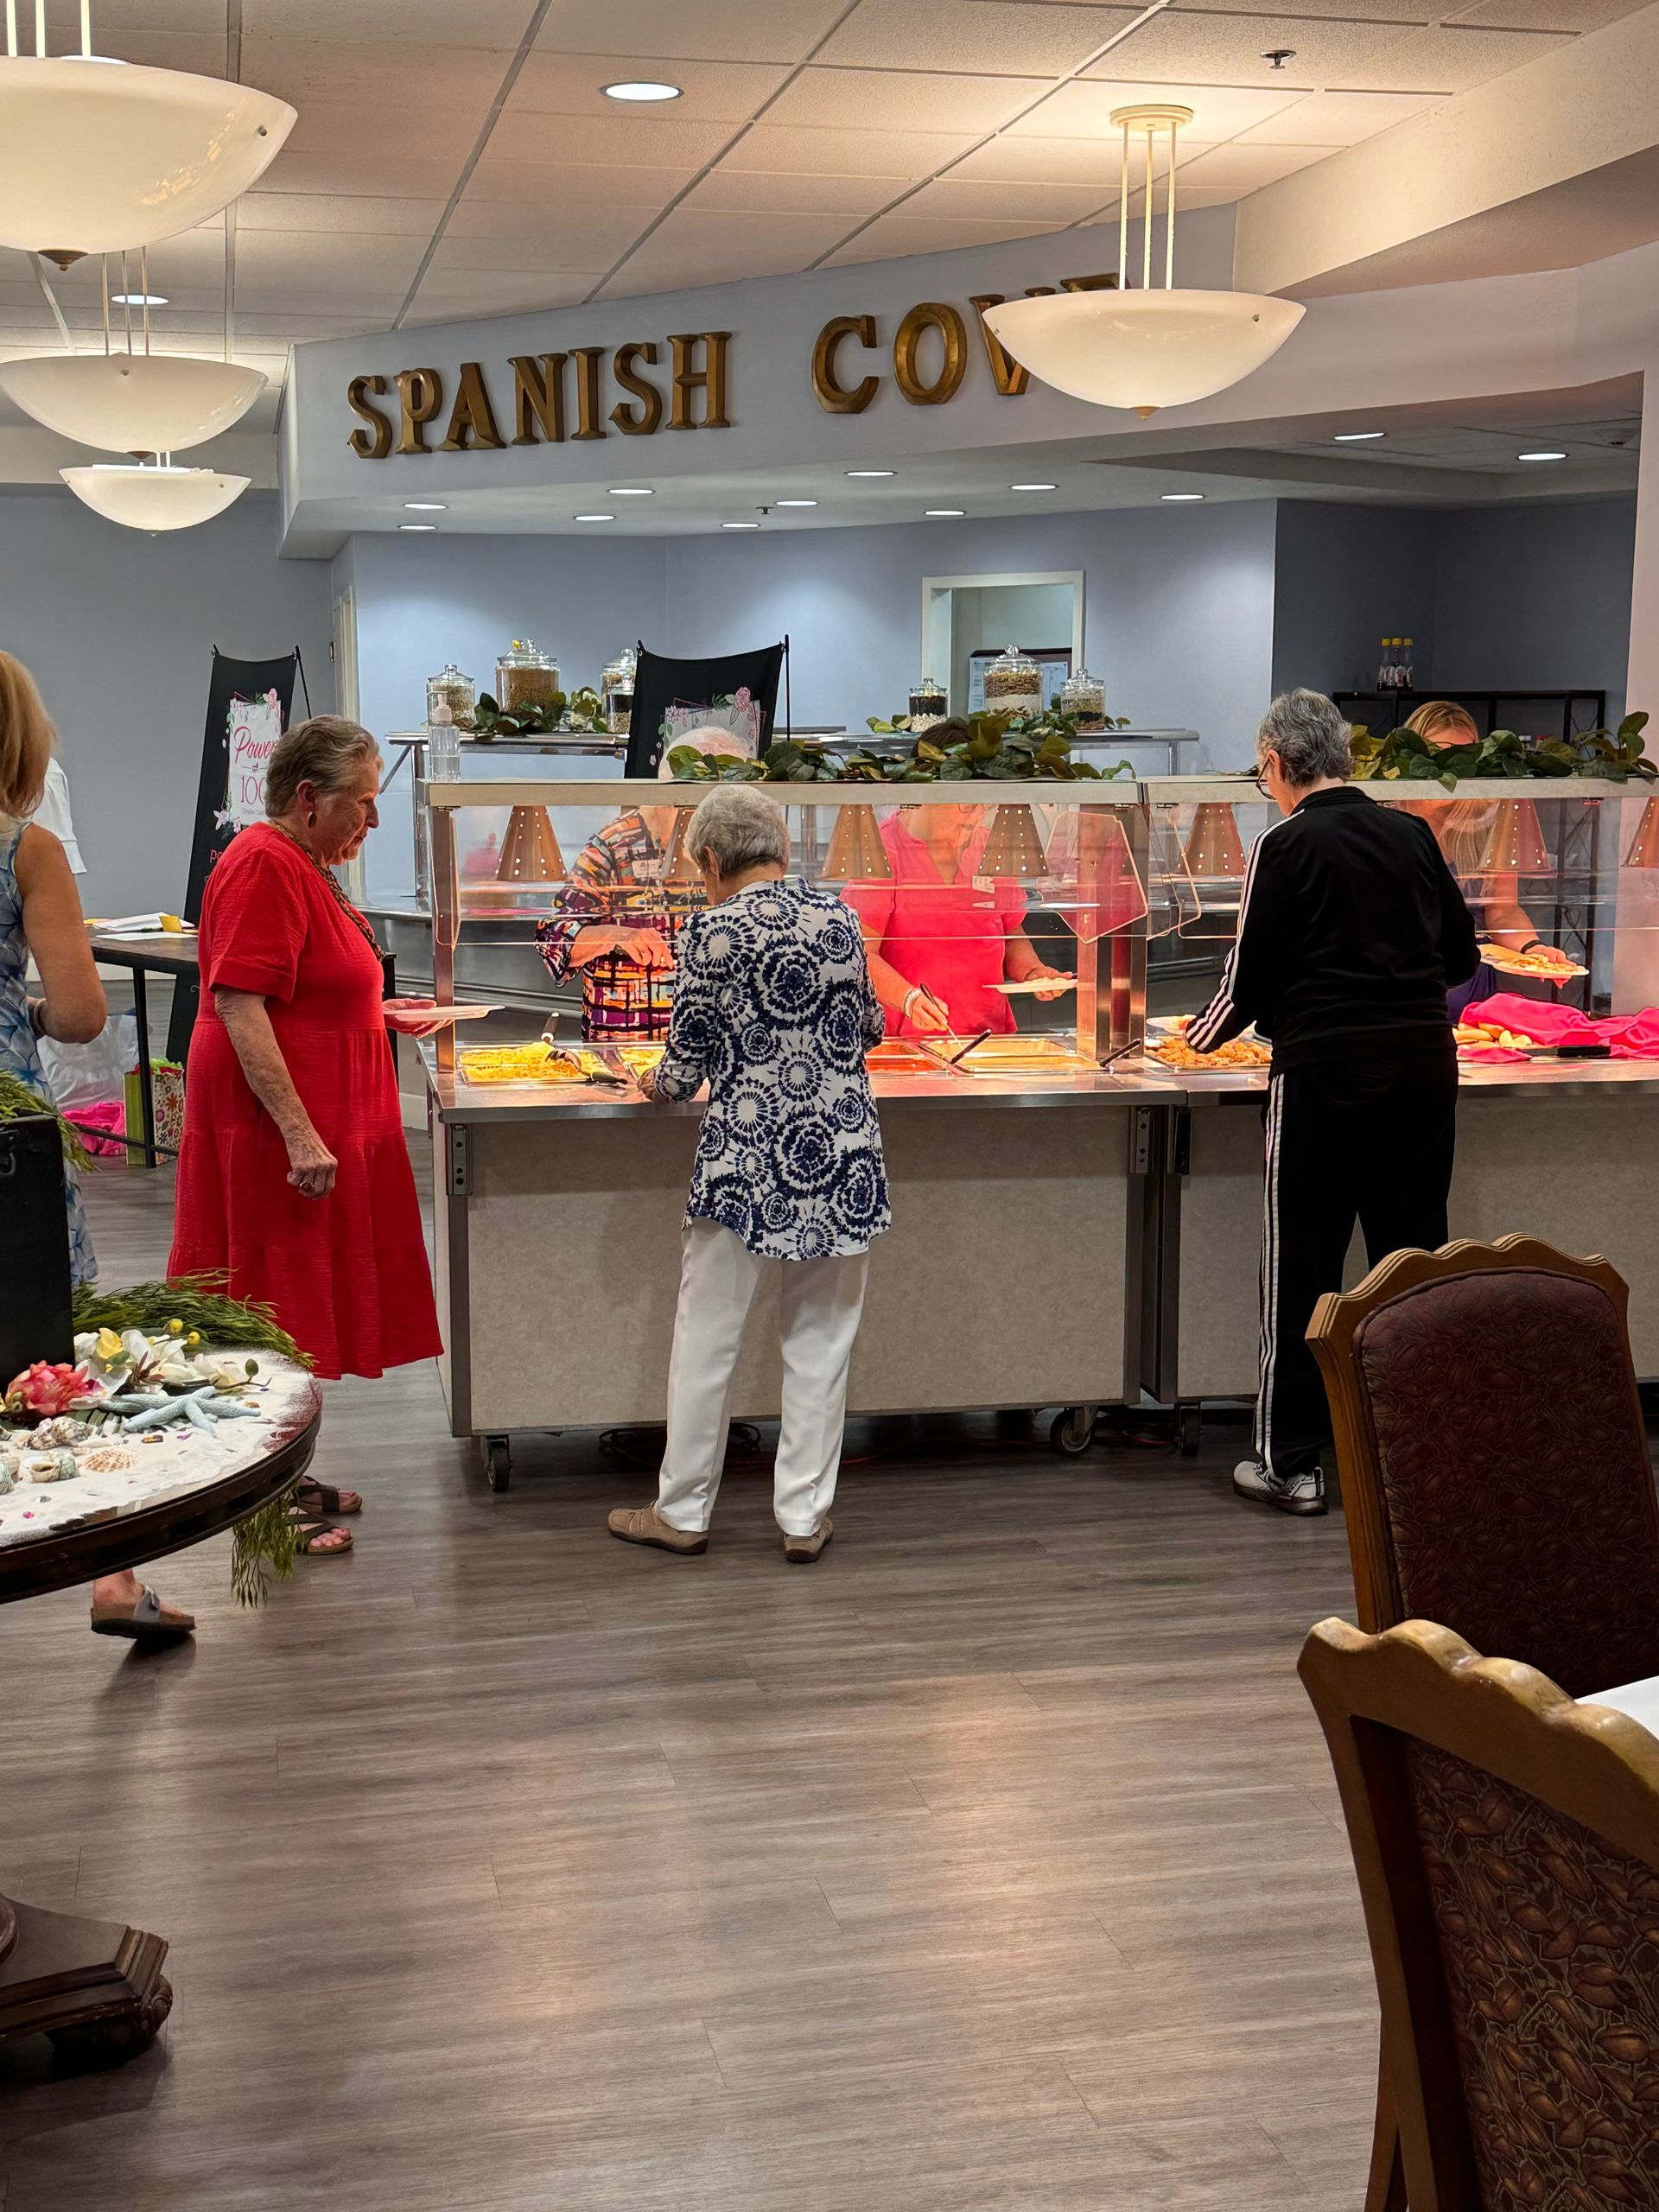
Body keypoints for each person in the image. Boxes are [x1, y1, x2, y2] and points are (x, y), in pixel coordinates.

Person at [1189, 689, 1478, 1517]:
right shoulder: (1413, 833)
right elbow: (1458, 956)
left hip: (1323, 1076)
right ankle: (1411, 1453)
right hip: (1424, 1069)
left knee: (1303, 1267)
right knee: (1411, 1261)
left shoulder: (1284, 844)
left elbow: (1245, 983)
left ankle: (1291, 1463)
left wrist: (1189, 1043)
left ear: (1276, 764)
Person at [169, 715, 442, 1554]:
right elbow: (240, 1005)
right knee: (269, 1305)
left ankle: (279, 1469)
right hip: (270, 1126)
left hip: (315, 1110)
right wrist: (297, 1131)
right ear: (307, 796)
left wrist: (377, 1015)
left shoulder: (308, 864)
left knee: (296, 1305)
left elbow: (310, 986)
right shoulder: (263, 863)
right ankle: (257, 1502)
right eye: (363, 803)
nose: (372, 821)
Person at [607, 784, 889, 1563]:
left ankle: (684, 1511)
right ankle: (803, 1520)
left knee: (708, 1340)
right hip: (841, 1157)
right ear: (780, 849)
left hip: (746, 1164)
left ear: (708, 859)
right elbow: (868, 1025)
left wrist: (644, 1081)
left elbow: (682, 1069)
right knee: (821, 1342)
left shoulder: (712, 933)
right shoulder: (839, 917)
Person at [0, 652, 194, 1638]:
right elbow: (81, 1012)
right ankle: (116, 1580)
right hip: (5, 1124)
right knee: (49, 1335)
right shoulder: (22, 846)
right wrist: (24, 1009)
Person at [535, 730, 747, 1041]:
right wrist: (618, 936)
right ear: (665, 794)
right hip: (622, 1050)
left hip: (711, 1051)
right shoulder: (613, 845)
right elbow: (553, 940)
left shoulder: (729, 845)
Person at [845, 803, 1072, 1038]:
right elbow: (862, 954)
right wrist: (909, 1000)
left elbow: (1011, 935)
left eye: (984, 805)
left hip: (986, 1035)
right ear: (930, 799)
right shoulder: (884, 849)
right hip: (905, 1039)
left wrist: (1033, 972)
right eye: (967, 806)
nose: (978, 814)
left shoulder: (989, 847)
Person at [1397, 700, 1556, 1014]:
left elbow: (1502, 910)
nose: (1450, 767)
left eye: (1463, 756)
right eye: (1439, 753)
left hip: (1471, 987)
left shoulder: (1486, 819)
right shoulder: (1385, 817)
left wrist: (1534, 950)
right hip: (1399, 983)